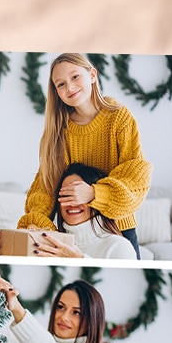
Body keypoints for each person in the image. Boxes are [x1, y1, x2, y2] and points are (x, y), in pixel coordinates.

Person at [17, 53, 152, 258]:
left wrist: (94, 194)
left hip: (117, 229)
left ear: (92, 75)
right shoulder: (57, 131)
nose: (69, 87)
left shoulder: (119, 118)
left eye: (75, 77)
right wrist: (35, 225)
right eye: (60, 84)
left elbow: (135, 177)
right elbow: (45, 186)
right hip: (73, 232)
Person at [5, 163, 137, 260]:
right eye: (65, 195)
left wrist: (79, 259)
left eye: (78, 195)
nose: (71, 203)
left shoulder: (118, 247)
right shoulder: (49, 243)